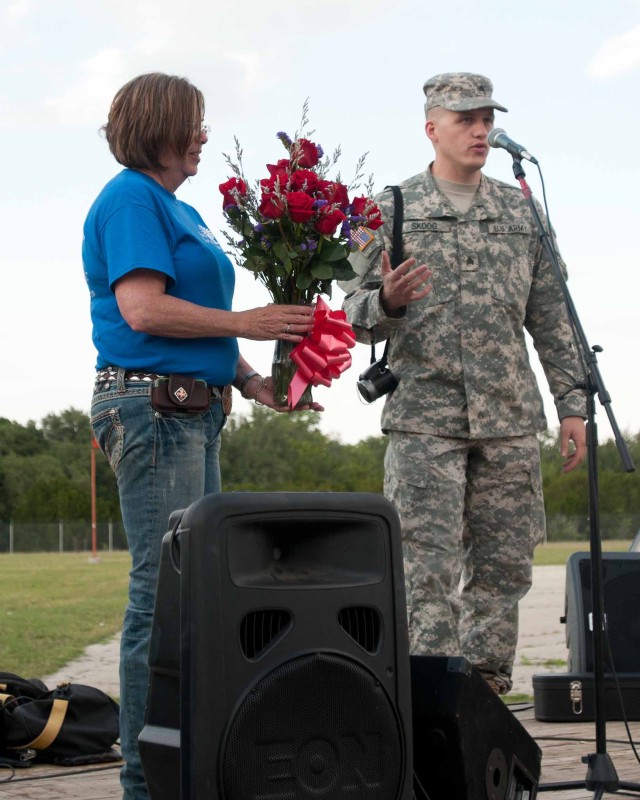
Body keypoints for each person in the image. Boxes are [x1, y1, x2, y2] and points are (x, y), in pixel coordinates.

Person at [82, 72, 320, 800]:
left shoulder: (177, 211)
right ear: (161, 127)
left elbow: (195, 319)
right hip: (153, 411)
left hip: (194, 410)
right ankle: (142, 784)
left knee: (197, 594)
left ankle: (185, 766)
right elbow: (146, 311)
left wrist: (252, 381)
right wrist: (247, 321)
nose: (206, 137)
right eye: (196, 123)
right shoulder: (130, 199)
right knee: (162, 597)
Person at [340, 72, 587, 695]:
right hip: (425, 419)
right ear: (432, 128)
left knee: (504, 566)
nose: (480, 130)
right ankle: (434, 696)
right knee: (425, 568)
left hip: (508, 419)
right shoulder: (383, 210)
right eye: (465, 119)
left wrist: (573, 407)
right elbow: (351, 318)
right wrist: (386, 303)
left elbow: (554, 318)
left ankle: (487, 695)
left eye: (486, 119)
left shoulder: (521, 210)